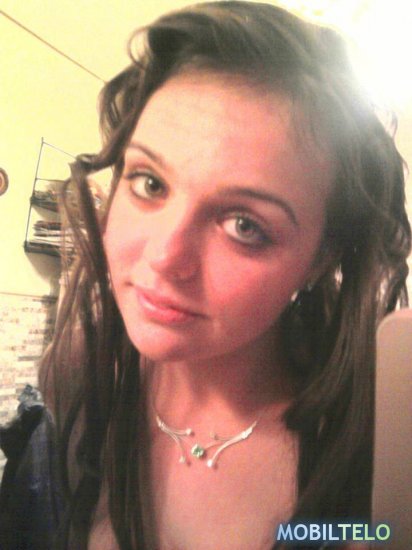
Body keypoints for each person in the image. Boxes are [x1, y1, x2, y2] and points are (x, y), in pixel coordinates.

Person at [4, 1, 411, 548]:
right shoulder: (81, 383)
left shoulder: (365, 466)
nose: (164, 256)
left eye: (245, 225)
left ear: (320, 259)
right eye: (150, 183)